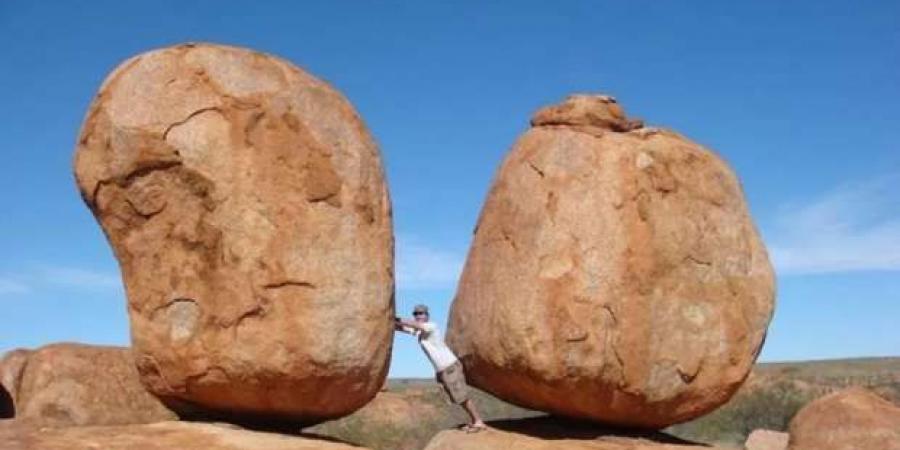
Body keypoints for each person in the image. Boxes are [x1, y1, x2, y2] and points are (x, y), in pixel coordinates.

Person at [395, 304, 487, 433]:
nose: (418, 316)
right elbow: (404, 328)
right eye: (416, 314)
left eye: (421, 313)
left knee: (461, 395)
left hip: (449, 366)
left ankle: (478, 422)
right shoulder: (419, 331)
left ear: (427, 315)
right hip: (443, 369)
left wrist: (394, 317)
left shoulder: (431, 326)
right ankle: (475, 420)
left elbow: (413, 325)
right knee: (457, 397)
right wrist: (391, 323)